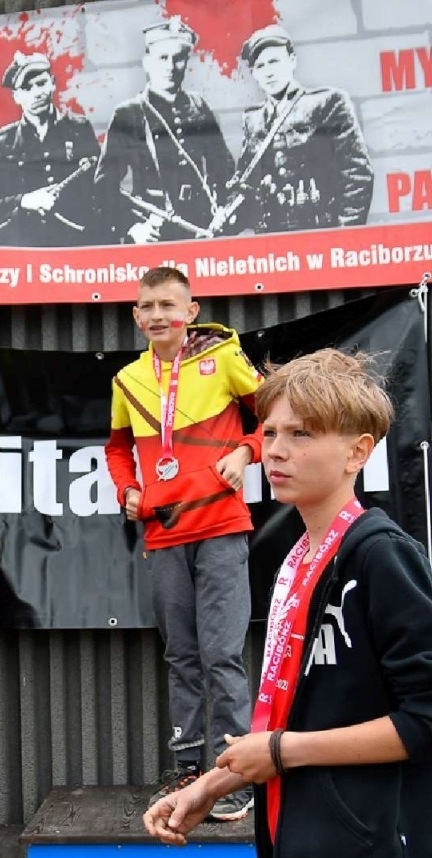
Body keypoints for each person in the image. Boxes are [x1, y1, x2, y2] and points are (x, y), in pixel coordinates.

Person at [144, 349, 432, 858]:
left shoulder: (378, 554)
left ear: (359, 450)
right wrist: (211, 784)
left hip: (346, 847)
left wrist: (284, 754)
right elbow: (283, 717)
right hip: (312, 840)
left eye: (302, 434)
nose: (277, 450)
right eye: (271, 432)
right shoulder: (296, 551)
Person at [104, 266, 264, 821]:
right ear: (135, 315)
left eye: (168, 305)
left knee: (222, 654)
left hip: (220, 528)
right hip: (164, 532)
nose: (157, 315)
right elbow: (118, 448)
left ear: (190, 311)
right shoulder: (127, 380)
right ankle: (188, 765)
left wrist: (246, 451)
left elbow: (273, 416)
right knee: (181, 656)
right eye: (146, 306)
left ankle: (235, 772)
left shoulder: (223, 361)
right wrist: (125, 487)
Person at [92, 16, 235, 244]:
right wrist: (133, 227)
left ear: (187, 62)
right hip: (153, 228)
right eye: (163, 58)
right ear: (146, 62)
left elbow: (223, 166)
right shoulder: (128, 113)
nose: (170, 67)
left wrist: (221, 210)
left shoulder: (198, 106)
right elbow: (104, 184)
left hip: (201, 225)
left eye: (178, 58)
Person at [220, 25, 373, 235]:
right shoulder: (253, 119)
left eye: (274, 61)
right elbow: (245, 184)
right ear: (254, 73)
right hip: (271, 237)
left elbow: (357, 174)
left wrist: (344, 236)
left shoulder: (327, 103)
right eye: (260, 66)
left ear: (292, 60)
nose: (268, 72)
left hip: (321, 231)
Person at [0, 51, 101, 247]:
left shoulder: (78, 129)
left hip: (75, 242)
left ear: (52, 83)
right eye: (27, 88)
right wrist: (26, 201)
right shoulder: (5, 141)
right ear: (16, 96)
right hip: (26, 248)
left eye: (41, 83)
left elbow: (100, 188)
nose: (37, 93)